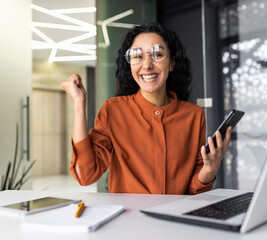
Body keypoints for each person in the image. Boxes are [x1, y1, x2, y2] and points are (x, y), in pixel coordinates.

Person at [61, 22, 232, 194]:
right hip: (129, 218)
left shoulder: (194, 115)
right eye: (137, 56)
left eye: (157, 54)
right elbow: (86, 175)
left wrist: (209, 170)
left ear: (171, 63)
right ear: (130, 64)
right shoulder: (113, 110)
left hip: (175, 217)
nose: (147, 65)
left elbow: (193, 190)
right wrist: (79, 104)